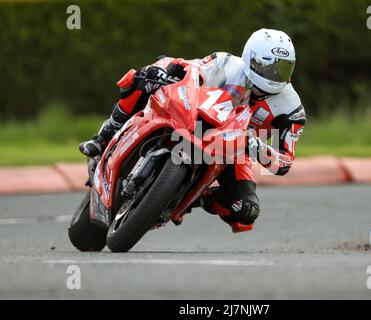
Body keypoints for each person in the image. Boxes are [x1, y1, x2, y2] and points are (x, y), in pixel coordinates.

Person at [79, 28, 306, 229]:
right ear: (252, 59)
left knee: (246, 211)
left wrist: (255, 145)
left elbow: (284, 163)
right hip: (197, 114)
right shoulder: (227, 63)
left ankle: (195, 197)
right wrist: (166, 70)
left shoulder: (291, 109)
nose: (275, 77)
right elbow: (190, 68)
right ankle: (105, 135)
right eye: (269, 67)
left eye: (283, 69)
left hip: (234, 149)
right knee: (142, 77)